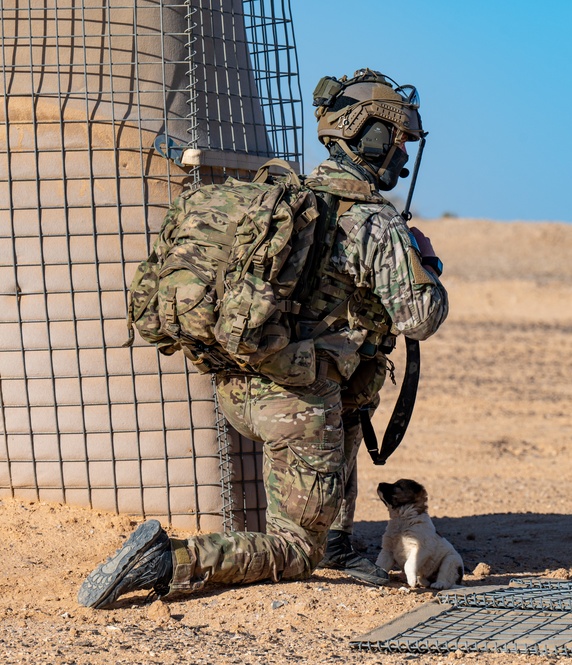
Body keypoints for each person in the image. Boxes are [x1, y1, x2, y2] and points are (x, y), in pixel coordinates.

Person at [78, 69, 447, 608]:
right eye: (395, 140)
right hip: (296, 406)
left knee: (348, 395)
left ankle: (338, 541)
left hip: (241, 387)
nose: (402, 155)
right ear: (366, 135)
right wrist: (428, 264)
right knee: (296, 549)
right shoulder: (374, 222)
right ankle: (172, 559)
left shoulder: (286, 200)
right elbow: (420, 318)